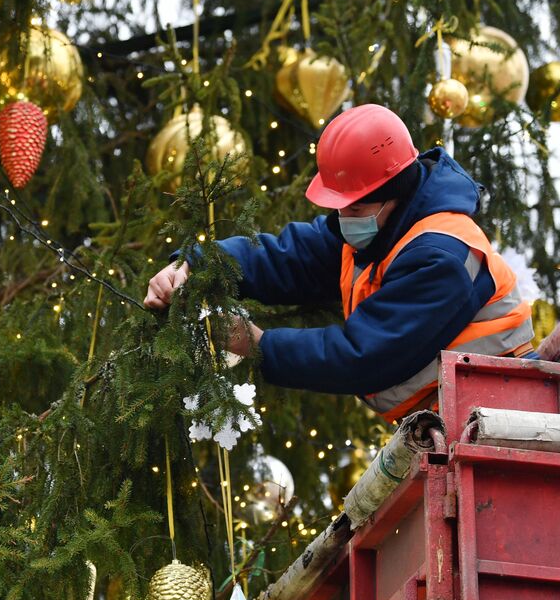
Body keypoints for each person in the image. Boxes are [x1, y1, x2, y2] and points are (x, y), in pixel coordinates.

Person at [144, 103, 534, 421]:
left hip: (502, 414)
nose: (346, 216)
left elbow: (364, 355)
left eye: (357, 205)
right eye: (340, 205)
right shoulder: (376, 227)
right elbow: (287, 257)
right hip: (456, 420)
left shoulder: (441, 256)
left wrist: (259, 344)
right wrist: (194, 265)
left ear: (394, 193)